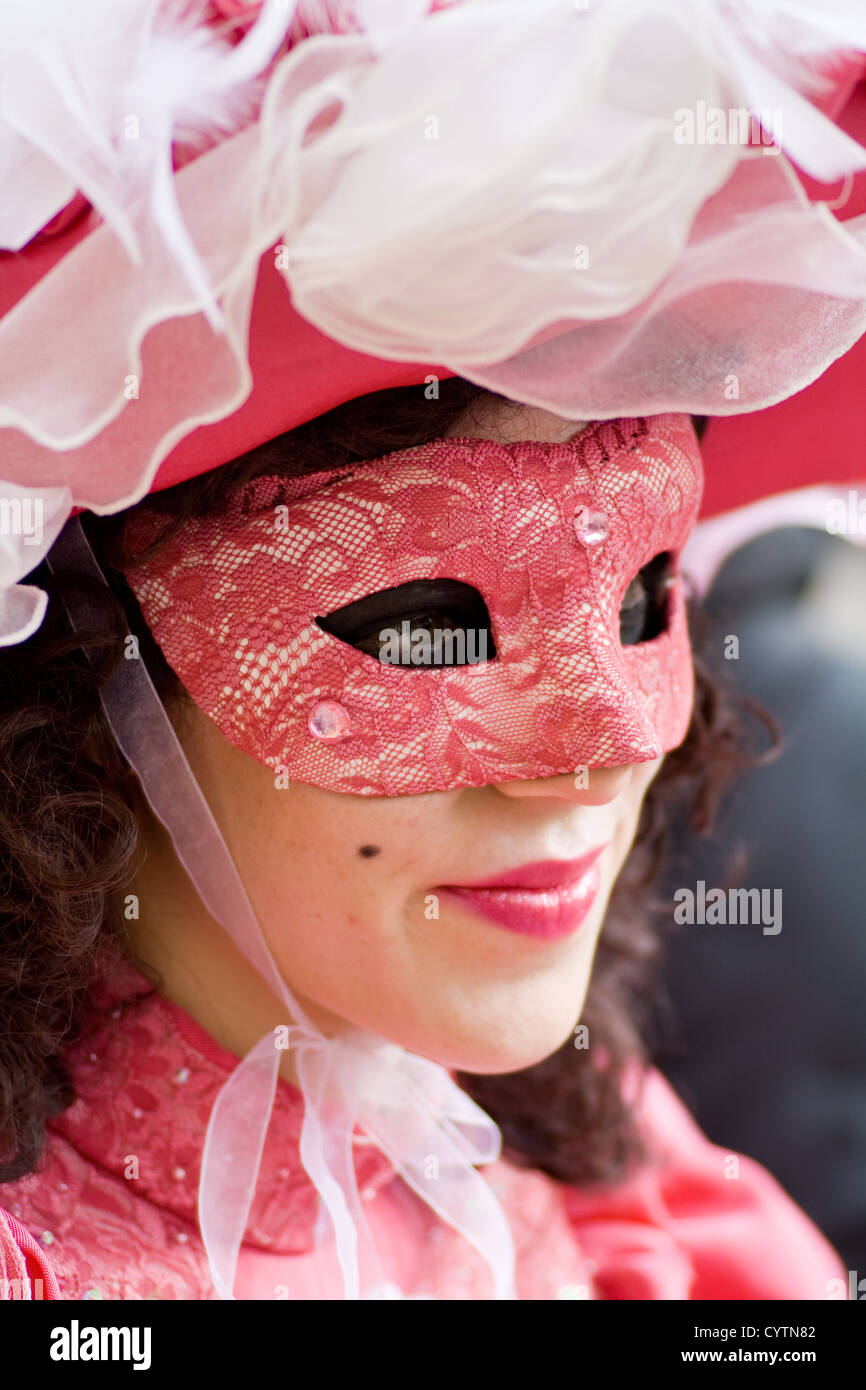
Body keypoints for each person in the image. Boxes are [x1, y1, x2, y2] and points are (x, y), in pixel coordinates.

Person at [1, 1, 866, 1301]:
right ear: (88, 662)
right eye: (424, 626)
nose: (589, 767)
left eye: (638, 600)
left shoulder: (603, 1184)